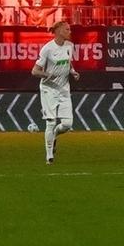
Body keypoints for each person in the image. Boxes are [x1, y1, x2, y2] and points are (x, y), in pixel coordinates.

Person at [32, 18, 77, 165]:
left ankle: (55, 135)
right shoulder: (47, 49)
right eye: (67, 29)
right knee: (51, 122)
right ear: (58, 31)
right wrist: (47, 75)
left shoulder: (70, 46)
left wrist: (73, 72)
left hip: (64, 89)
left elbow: (68, 63)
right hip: (48, 89)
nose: (70, 32)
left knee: (67, 124)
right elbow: (35, 71)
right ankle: (49, 156)